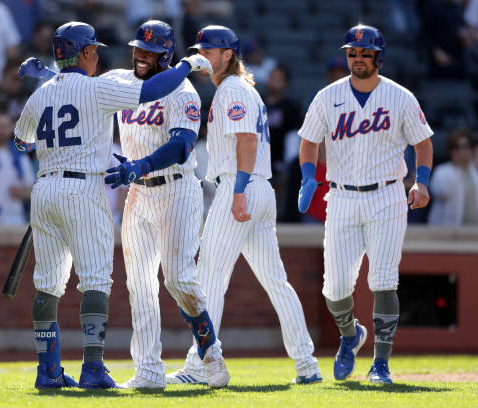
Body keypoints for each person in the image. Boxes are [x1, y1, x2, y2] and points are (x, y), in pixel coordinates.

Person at [13, 21, 213, 389]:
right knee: (95, 282)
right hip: (85, 188)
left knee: (47, 286)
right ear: (86, 52)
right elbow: (151, 89)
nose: (99, 55)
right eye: (94, 50)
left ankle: (48, 371)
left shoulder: (39, 95)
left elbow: (21, 143)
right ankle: (93, 369)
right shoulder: (99, 87)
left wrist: (48, 92)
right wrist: (188, 65)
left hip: (44, 189)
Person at [165, 25, 322, 386]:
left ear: (228, 54)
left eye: (210, 50)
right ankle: (307, 364)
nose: (203, 55)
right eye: (200, 49)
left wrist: (236, 192)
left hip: (241, 185)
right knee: (276, 282)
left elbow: (247, 141)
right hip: (257, 188)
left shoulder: (232, 89)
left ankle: (198, 365)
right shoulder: (236, 89)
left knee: (208, 279)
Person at [297, 25, 434, 384]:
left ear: (378, 57)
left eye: (364, 53)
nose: (357, 59)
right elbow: (309, 141)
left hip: (388, 194)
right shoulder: (327, 97)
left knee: (383, 280)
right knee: (335, 288)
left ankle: (381, 363)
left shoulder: (400, 97)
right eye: (352, 53)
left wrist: (422, 181)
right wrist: (308, 176)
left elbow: (423, 144)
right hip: (340, 196)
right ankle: (349, 336)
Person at [102, 20, 230, 389]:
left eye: (151, 52)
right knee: (139, 284)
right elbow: (84, 92)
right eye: (138, 49)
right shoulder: (121, 81)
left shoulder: (183, 91)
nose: (142, 57)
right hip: (137, 192)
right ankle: (148, 371)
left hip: (176, 190)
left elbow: (182, 145)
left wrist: (141, 164)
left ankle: (211, 354)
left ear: (167, 55)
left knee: (178, 278)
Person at [428, 129, 478, 225]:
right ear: (451, 151)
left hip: (474, 230)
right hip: (448, 231)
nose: (461, 151)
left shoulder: (474, 170)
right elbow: (441, 192)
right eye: (456, 147)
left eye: (465, 147)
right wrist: (459, 167)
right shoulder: (442, 171)